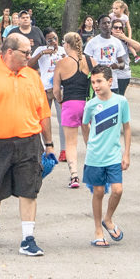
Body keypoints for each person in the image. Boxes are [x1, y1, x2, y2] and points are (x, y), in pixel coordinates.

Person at [0, 33, 56, 256]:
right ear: (9, 52)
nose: (30, 56)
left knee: (29, 190)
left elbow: (43, 112)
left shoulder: (32, 76)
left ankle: (28, 238)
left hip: (28, 142)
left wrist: (49, 143)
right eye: (26, 52)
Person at [82, 66, 132, 246]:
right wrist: (89, 145)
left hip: (113, 156)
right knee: (99, 191)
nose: (95, 85)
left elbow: (126, 127)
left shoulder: (121, 101)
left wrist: (126, 153)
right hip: (95, 157)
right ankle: (98, 229)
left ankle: (108, 219)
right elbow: (84, 124)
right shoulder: (91, 105)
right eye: (93, 82)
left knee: (117, 190)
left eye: (99, 81)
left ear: (110, 82)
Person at [52, 32, 93, 189]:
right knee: (89, 139)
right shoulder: (90, 60)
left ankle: (74, 175)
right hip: (87, 104)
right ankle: (94, 169)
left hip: (70, 103)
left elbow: (56, 90)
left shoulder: (62, 63)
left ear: (66, 45)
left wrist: (61, 101)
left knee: (71, 143)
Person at [29, 29, 66, 161]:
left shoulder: (63, 50)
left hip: (60, 88)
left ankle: (64, 150)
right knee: (43, 119)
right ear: (45, 40)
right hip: (44, 88)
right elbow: (29, 65)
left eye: (55, 38)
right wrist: (42, 53)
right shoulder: (40, 49)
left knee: (63, 120)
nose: (53, 42)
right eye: (50, 40)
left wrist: (64, 59)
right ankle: (44, 148)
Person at [111, 19, 140, 93]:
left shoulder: (125, 41)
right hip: (110, 74)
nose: (118, 29)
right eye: (116, 27)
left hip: (123, 74)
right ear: (111, 29)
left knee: (119, 97)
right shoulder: (107, 40)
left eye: (120, 28)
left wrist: (125, 38)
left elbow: (138, 47)